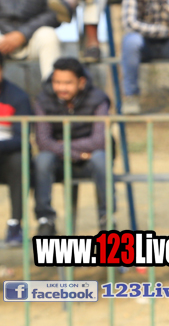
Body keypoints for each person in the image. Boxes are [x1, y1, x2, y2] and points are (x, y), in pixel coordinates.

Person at [32, 57, 111, 237]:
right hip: (61, 160)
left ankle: (106, 218)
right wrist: (77, 153)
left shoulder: (98, 99)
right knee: (42, 160)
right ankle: (46, 220)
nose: (61, 88)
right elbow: (43, 141)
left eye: (68, 83)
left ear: (81, 82)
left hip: (90, 160)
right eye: (57, 82)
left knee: (100, 158)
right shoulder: (43, 100)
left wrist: (64, 146)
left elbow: (99, 141)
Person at [0, 56, 35, 246]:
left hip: (7, 160)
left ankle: (15, 224)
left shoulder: (18, 97)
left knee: (19, 160)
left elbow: (23, 138)